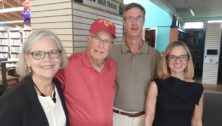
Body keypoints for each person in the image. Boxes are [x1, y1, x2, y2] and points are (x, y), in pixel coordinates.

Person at [0, 30, 69, 126]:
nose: (47, 59)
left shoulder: (58, 86)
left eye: (53, 52)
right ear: (27, 59)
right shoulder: (11, 101)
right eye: (38, 54)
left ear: (60, 57)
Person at [55, 18, 117, 126]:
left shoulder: (112, 66)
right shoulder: (69, 65)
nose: (101, 45)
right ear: (88, 39)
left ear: (111, 46)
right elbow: (45, 85)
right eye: (97, 38)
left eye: (106, 41)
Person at [110, 3, 160, 126]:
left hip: (144, 118)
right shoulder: (111, 52)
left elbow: (160, 88)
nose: (134, 22)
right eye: (130, 18)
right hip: (117, 117)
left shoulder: (154, 55)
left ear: (143, 21)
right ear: (123, 23)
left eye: (138, 17)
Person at [145, 41, 204, 126]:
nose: (177, 61)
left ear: (188, 59)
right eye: (172, 57)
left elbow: (197, 121)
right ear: (167, 60)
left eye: (182, 57)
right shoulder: (156, 86)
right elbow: (149, 119)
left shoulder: (197, 89)